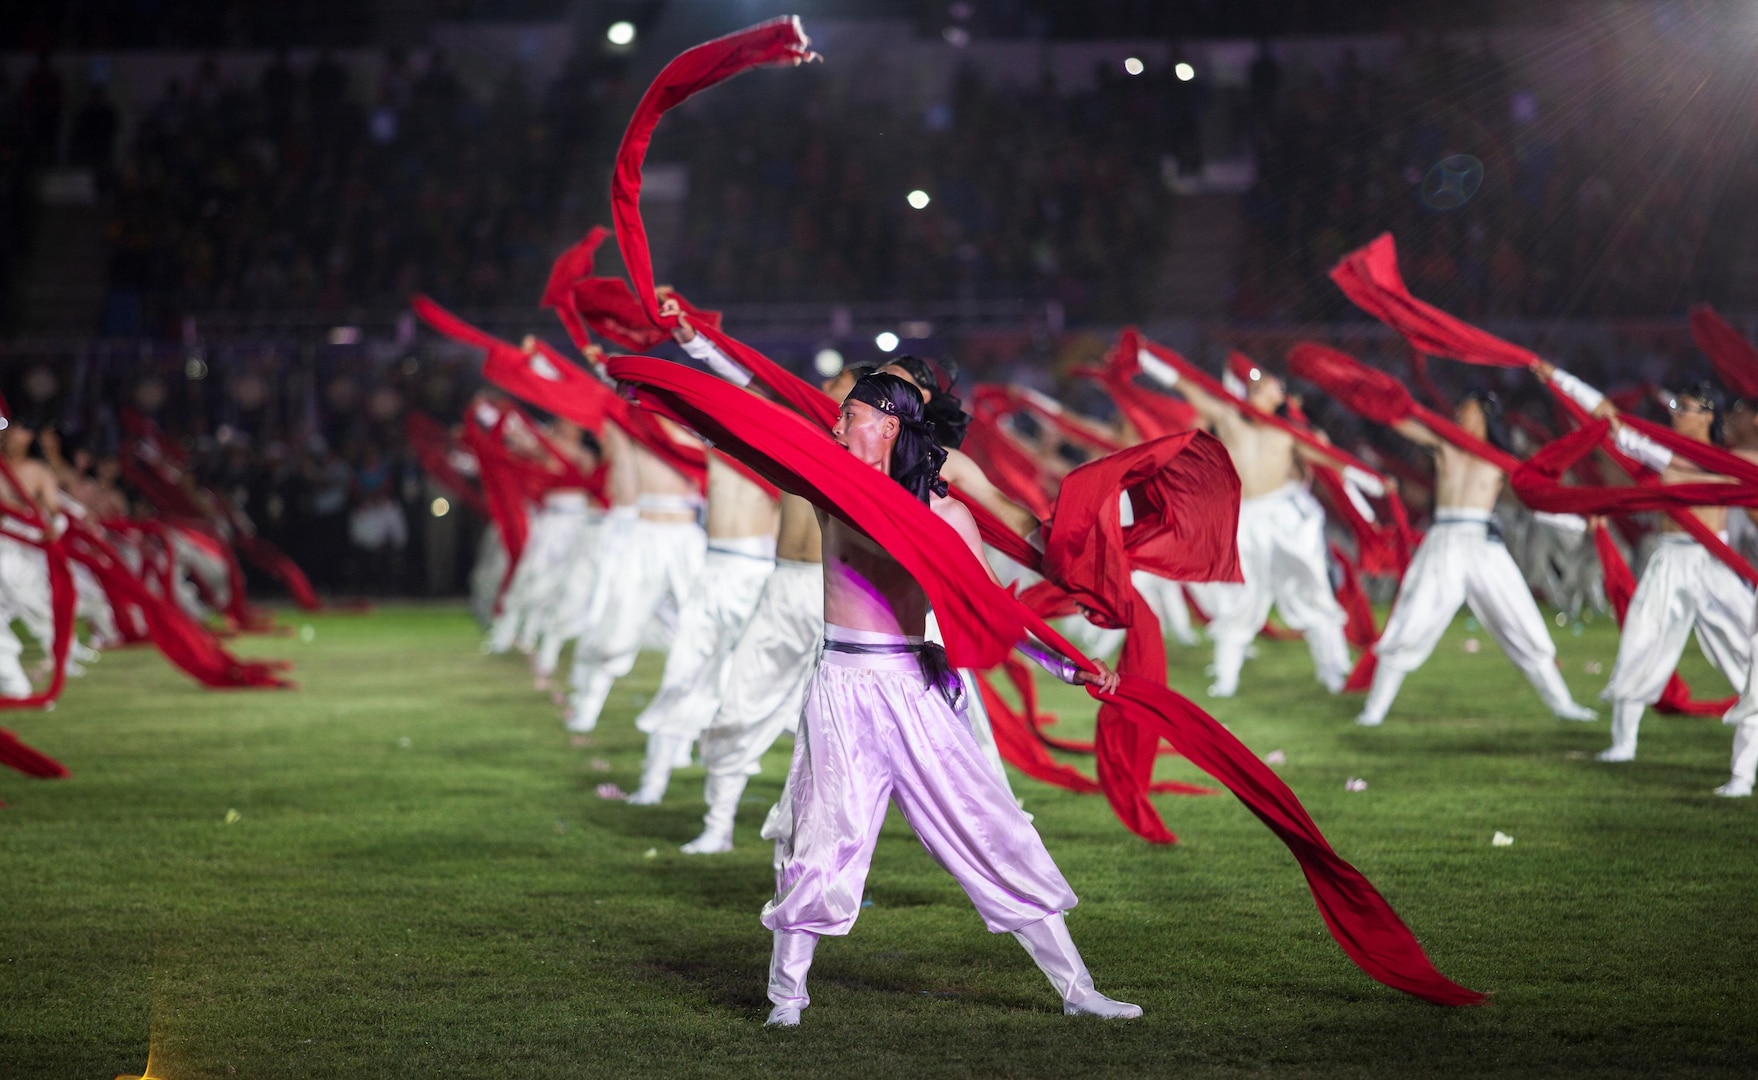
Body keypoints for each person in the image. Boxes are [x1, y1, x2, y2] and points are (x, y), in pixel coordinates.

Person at [760, 371, 1139, 1026]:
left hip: (912, 686)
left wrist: (1070, 668)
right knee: (823, 842)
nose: (836, 423)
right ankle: (785, 1002)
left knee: (991, 828)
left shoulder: (942, 512)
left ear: (887, 425)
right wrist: (689, 357)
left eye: (848, 414)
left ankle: (1079, 991)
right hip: (841, 688)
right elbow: (750, 432)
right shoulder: (830, 487)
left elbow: (994, 608)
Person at [1541, 365, 1755, 769]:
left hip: (1714, 562)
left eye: (1684, 406)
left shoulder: (1733, 462)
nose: (1675, 412)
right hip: (1669, 559)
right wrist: (1559, 378)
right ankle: (1623, 744)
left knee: (1750, 660)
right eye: (1674, 404)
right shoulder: (1663, 454)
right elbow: (1611, 421)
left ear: (1707, 415)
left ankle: (1743, 774)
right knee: (1639, 648)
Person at [1356, 391, 1597, 726]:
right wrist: (1383, 399)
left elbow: (1539, 488)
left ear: (1484, 414)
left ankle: (1563, 705)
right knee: (1411, 622)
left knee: (1521, 622)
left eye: (1465, 410)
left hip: (1483, 543)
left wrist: (1577, 516)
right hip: (1444, 541)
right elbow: (1403, 423)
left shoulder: (1501, 457)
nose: (1457, 415)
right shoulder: (1446, 445)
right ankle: (1374, 711)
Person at [1138, 352, 1351, 696]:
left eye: (1266, 385)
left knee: (1311, 592)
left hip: (1285, 519)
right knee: (1238, 599)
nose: (1258, 387)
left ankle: (1334, 670)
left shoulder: (1290, 433)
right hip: (1245, 518)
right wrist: (1146, 359)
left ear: (1279, 397)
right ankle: (1225, 678)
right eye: (1255, 384)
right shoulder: (1229, 420)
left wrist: (1362, 475)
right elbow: (1188, 387)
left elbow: (1333, 463)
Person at [563, 413, 706, 733]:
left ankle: (686, 730)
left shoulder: (696, 430)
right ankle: (587, 705)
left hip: (687, 539)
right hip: (643, 535)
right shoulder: (632, 429)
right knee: (617, 623)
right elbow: (623, 491)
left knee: (700, 630)